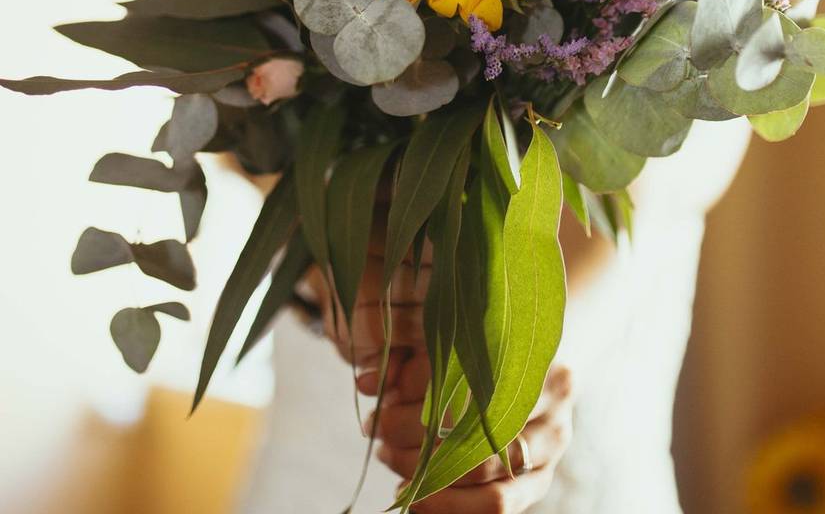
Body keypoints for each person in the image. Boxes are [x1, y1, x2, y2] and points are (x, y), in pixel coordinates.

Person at [239, 118, 752, 514]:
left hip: (586, 439)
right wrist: (335, 248)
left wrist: (525, 345)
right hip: (309, 472)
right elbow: (236, 112)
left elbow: (687, 141)